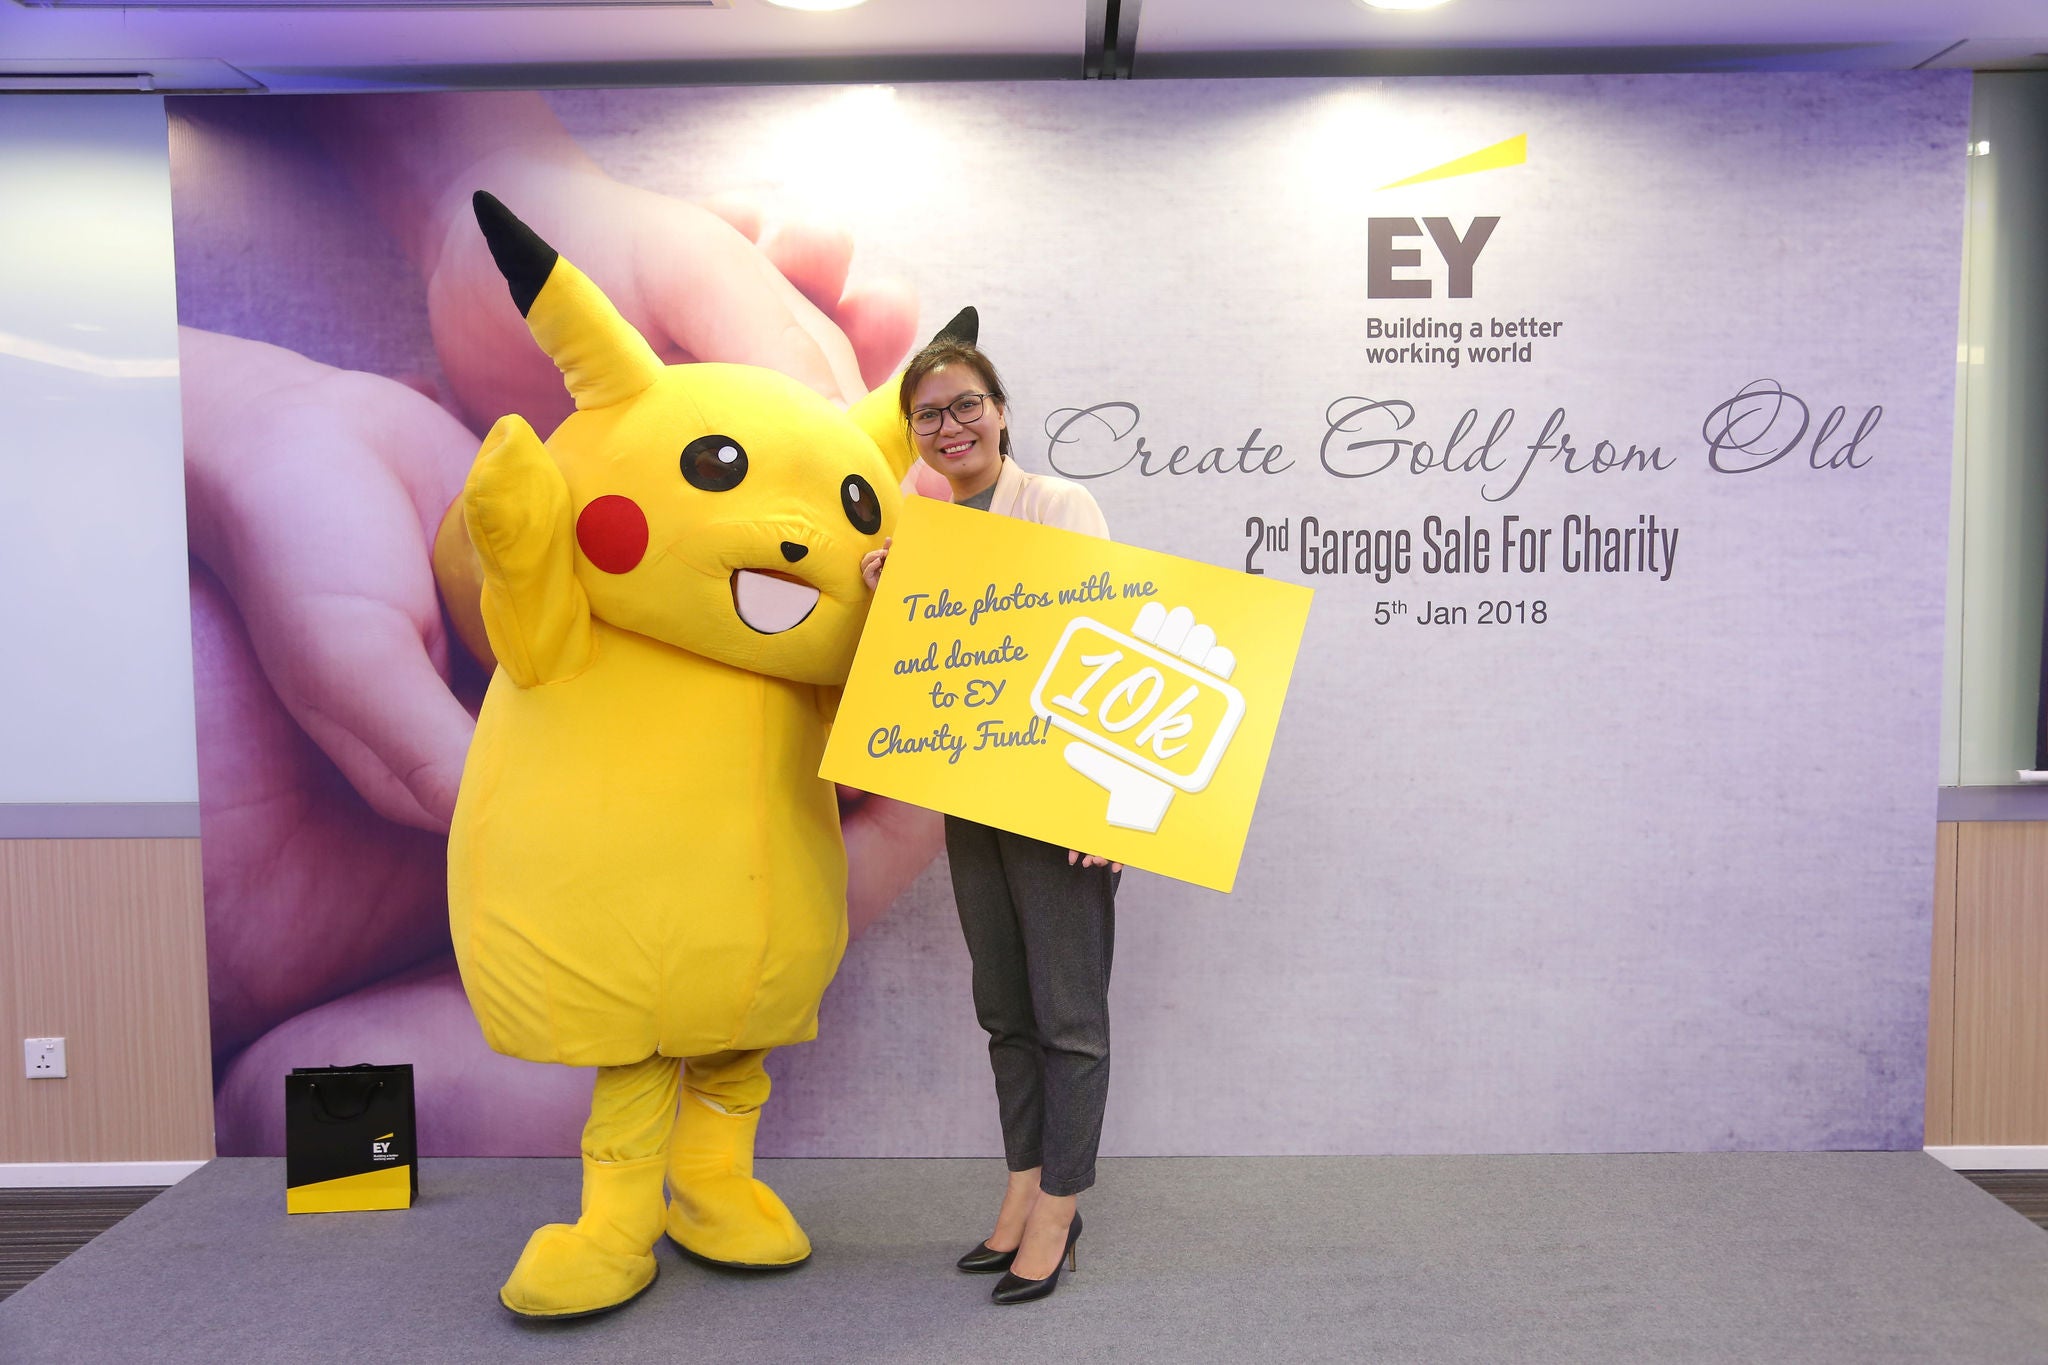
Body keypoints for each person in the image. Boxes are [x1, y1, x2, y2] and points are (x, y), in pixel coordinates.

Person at [859, 332, 1120, 1306]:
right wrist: (895, 595)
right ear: (914, 435)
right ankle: (1018, 1191)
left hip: (1058, 797)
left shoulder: (1057, 504)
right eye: (928, 414)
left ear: (1000, 410)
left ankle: (1059, 1207)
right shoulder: (930, 535)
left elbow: (1101, 643)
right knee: (1004, 1008)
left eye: (965, 405)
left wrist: (1104, 804)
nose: (949, 426)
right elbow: (936, 677)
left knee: (1069, 1015)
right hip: (973, 795)